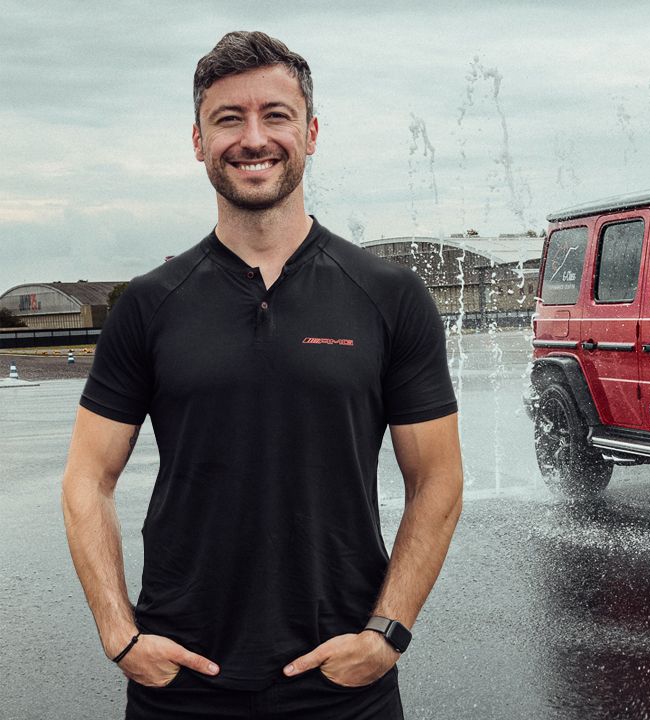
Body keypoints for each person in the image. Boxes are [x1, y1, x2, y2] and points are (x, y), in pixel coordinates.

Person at [61, 31, 463, 719]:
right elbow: (85, 479)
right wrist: (120, 635)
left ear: (309, 132)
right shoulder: (151, 304)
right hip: (181, 685)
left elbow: (438, 480)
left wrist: (387, 631)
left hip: (344, 684)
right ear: (197, 141)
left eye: (275, 115)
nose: (254, 138)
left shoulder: (390, 296)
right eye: (228, 118)